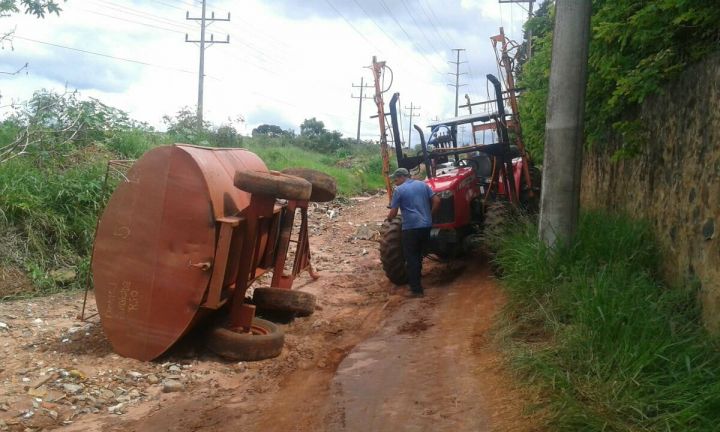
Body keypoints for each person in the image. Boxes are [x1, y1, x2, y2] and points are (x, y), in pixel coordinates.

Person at [385, 167, 440, 297]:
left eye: (396, 179)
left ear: (402, 177)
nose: (395, 182)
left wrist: (389, 219)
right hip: (426, 227)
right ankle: (417, 278)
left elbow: (393, 212)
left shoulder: (399, 190)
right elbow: (437, 201)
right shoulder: (423, 184)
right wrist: (430, 216)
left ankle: (416, 290)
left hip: (410, 228)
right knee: (419, 255)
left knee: (411, 258)